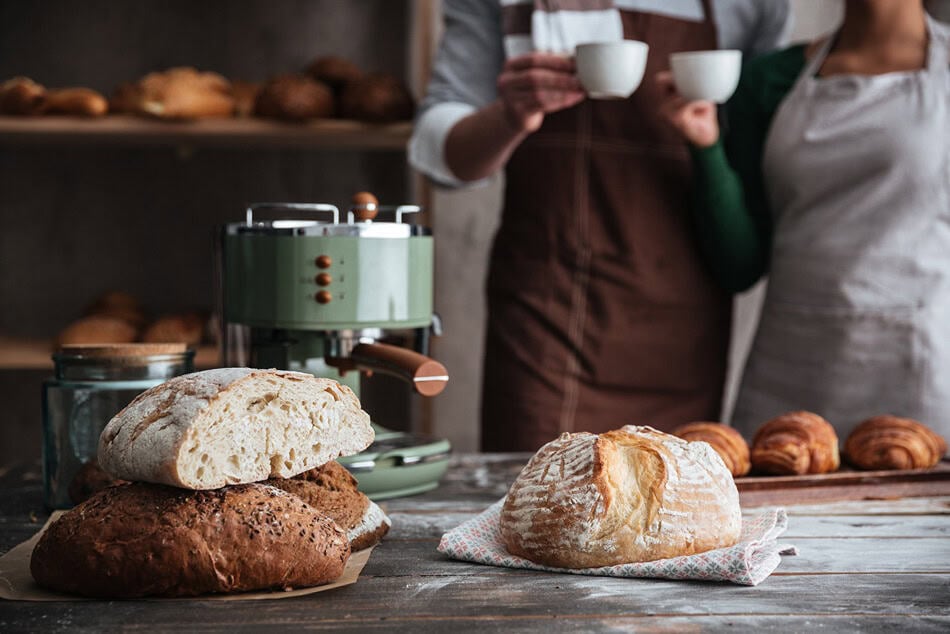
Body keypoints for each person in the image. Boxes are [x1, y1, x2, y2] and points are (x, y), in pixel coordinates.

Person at [410, 0, 790, 451]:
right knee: (540, 506)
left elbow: (752, 147)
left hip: (681, 329)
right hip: (548, 325)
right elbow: (439, 154)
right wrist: (508, 116)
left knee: (676, 510)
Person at [659, 0, 950, 440]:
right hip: (793, 371)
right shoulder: (768, 80)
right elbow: (739, 265)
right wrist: (707, 147)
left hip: (924, 371)